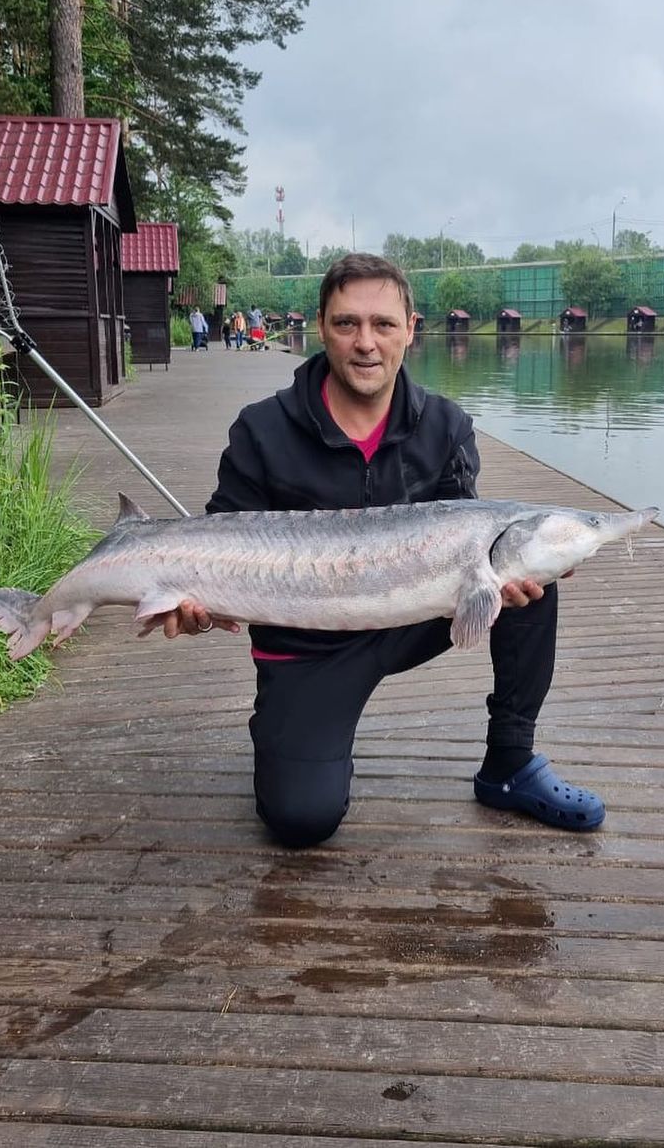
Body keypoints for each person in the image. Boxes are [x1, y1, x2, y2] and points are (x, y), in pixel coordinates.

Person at [155, 254, 604, 848]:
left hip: (412, 615)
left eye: (383, 324)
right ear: (321, 325)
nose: (365, 343)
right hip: (306, 647)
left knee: (529, 568)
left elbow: (466, 533)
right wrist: (195, 606)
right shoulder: (261, 430)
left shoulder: (447, 426)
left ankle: (509, 763)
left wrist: (504, 581)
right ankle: (294, 737)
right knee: (301, 820)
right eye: (347, 323)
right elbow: (216, 543)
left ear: (410, 329)